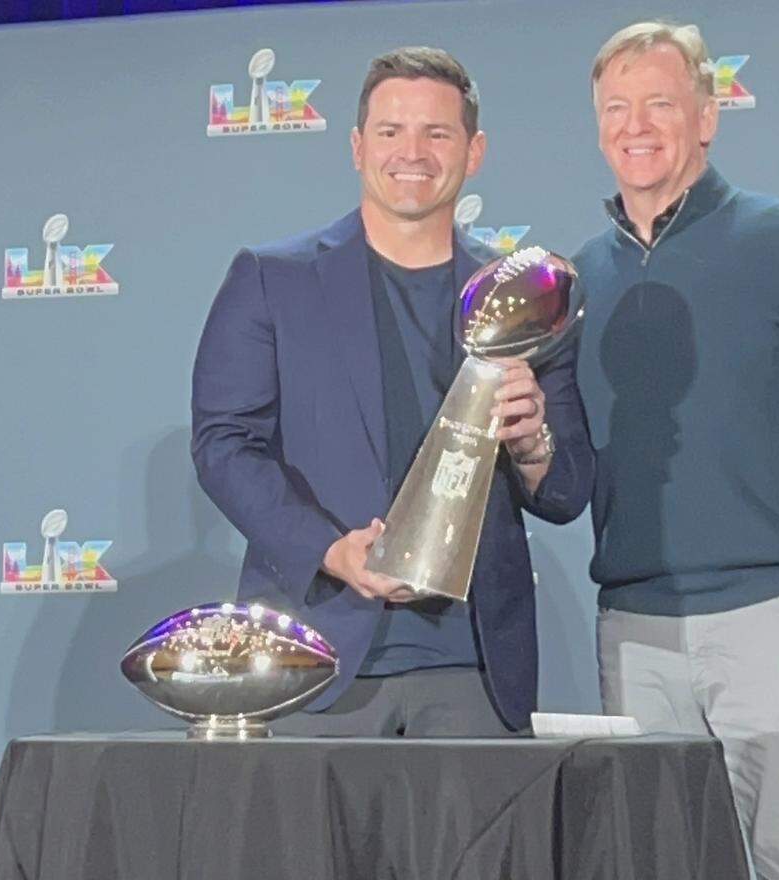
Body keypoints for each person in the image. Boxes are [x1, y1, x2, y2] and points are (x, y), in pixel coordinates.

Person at [573, 21, 779, 880]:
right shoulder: (578, 281)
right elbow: (565, 471)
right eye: (617, 107)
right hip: (635, 631)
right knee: (655, 867)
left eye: (659, 103)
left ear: (707, 116)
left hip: (778, 624)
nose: (636, 125)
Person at [192, 47, 593, 737]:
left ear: (475, 151)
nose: (413, 152)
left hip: (473, 673)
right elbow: (224, 445)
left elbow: (567, 490)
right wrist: (331, 550)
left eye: (437, 133)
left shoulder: (521, 297)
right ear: (356, 146)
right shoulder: (271, 280)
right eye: (390, 132)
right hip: (313, 661)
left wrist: (531, 446)